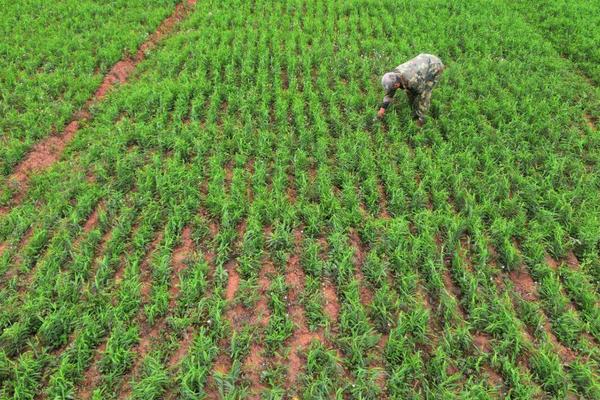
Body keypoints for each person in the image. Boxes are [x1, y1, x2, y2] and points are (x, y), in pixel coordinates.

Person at [375, 54, 445, 126]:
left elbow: (420, 92)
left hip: (435, 66)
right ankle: (413, 108)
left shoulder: (412, 81)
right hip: (423, 61)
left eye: (393, 87)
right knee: (410, 92)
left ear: (396, 85)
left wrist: (415, 101)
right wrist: (382, 109)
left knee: (424, 94)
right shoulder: (394, 75)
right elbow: (390, 94)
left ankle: (421, 119)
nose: (391, 90)